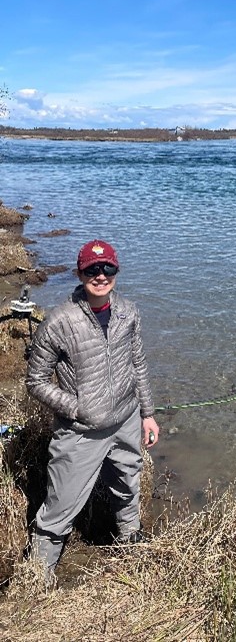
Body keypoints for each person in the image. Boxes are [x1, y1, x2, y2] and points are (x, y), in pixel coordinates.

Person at [26, 239, 160, 576]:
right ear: (79, 272)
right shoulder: (59, 321)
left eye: (107, 268)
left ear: (116, 270)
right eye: (92, 269)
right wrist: (76, 407)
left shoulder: (129, 312)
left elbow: (138, 363)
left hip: (127, 420)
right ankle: (38, 579)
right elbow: (36, 380)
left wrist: (148, 414)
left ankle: (131, 544)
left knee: (128, 486)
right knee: (60, 507)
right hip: (80, 432)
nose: (100, 275)